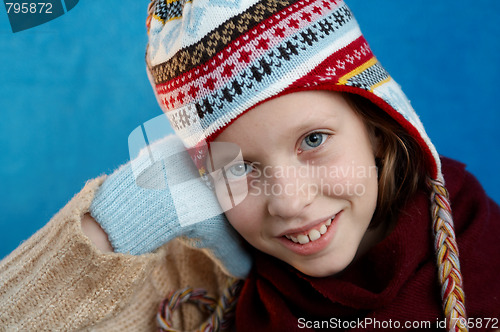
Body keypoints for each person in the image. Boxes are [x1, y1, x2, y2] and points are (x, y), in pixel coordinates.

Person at [1, 0, 499, 331]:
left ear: (376, 121)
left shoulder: (482, 250)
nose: (289, 201)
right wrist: (112, 224)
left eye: (314, 139)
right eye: (235, 167)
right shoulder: (195, 281)